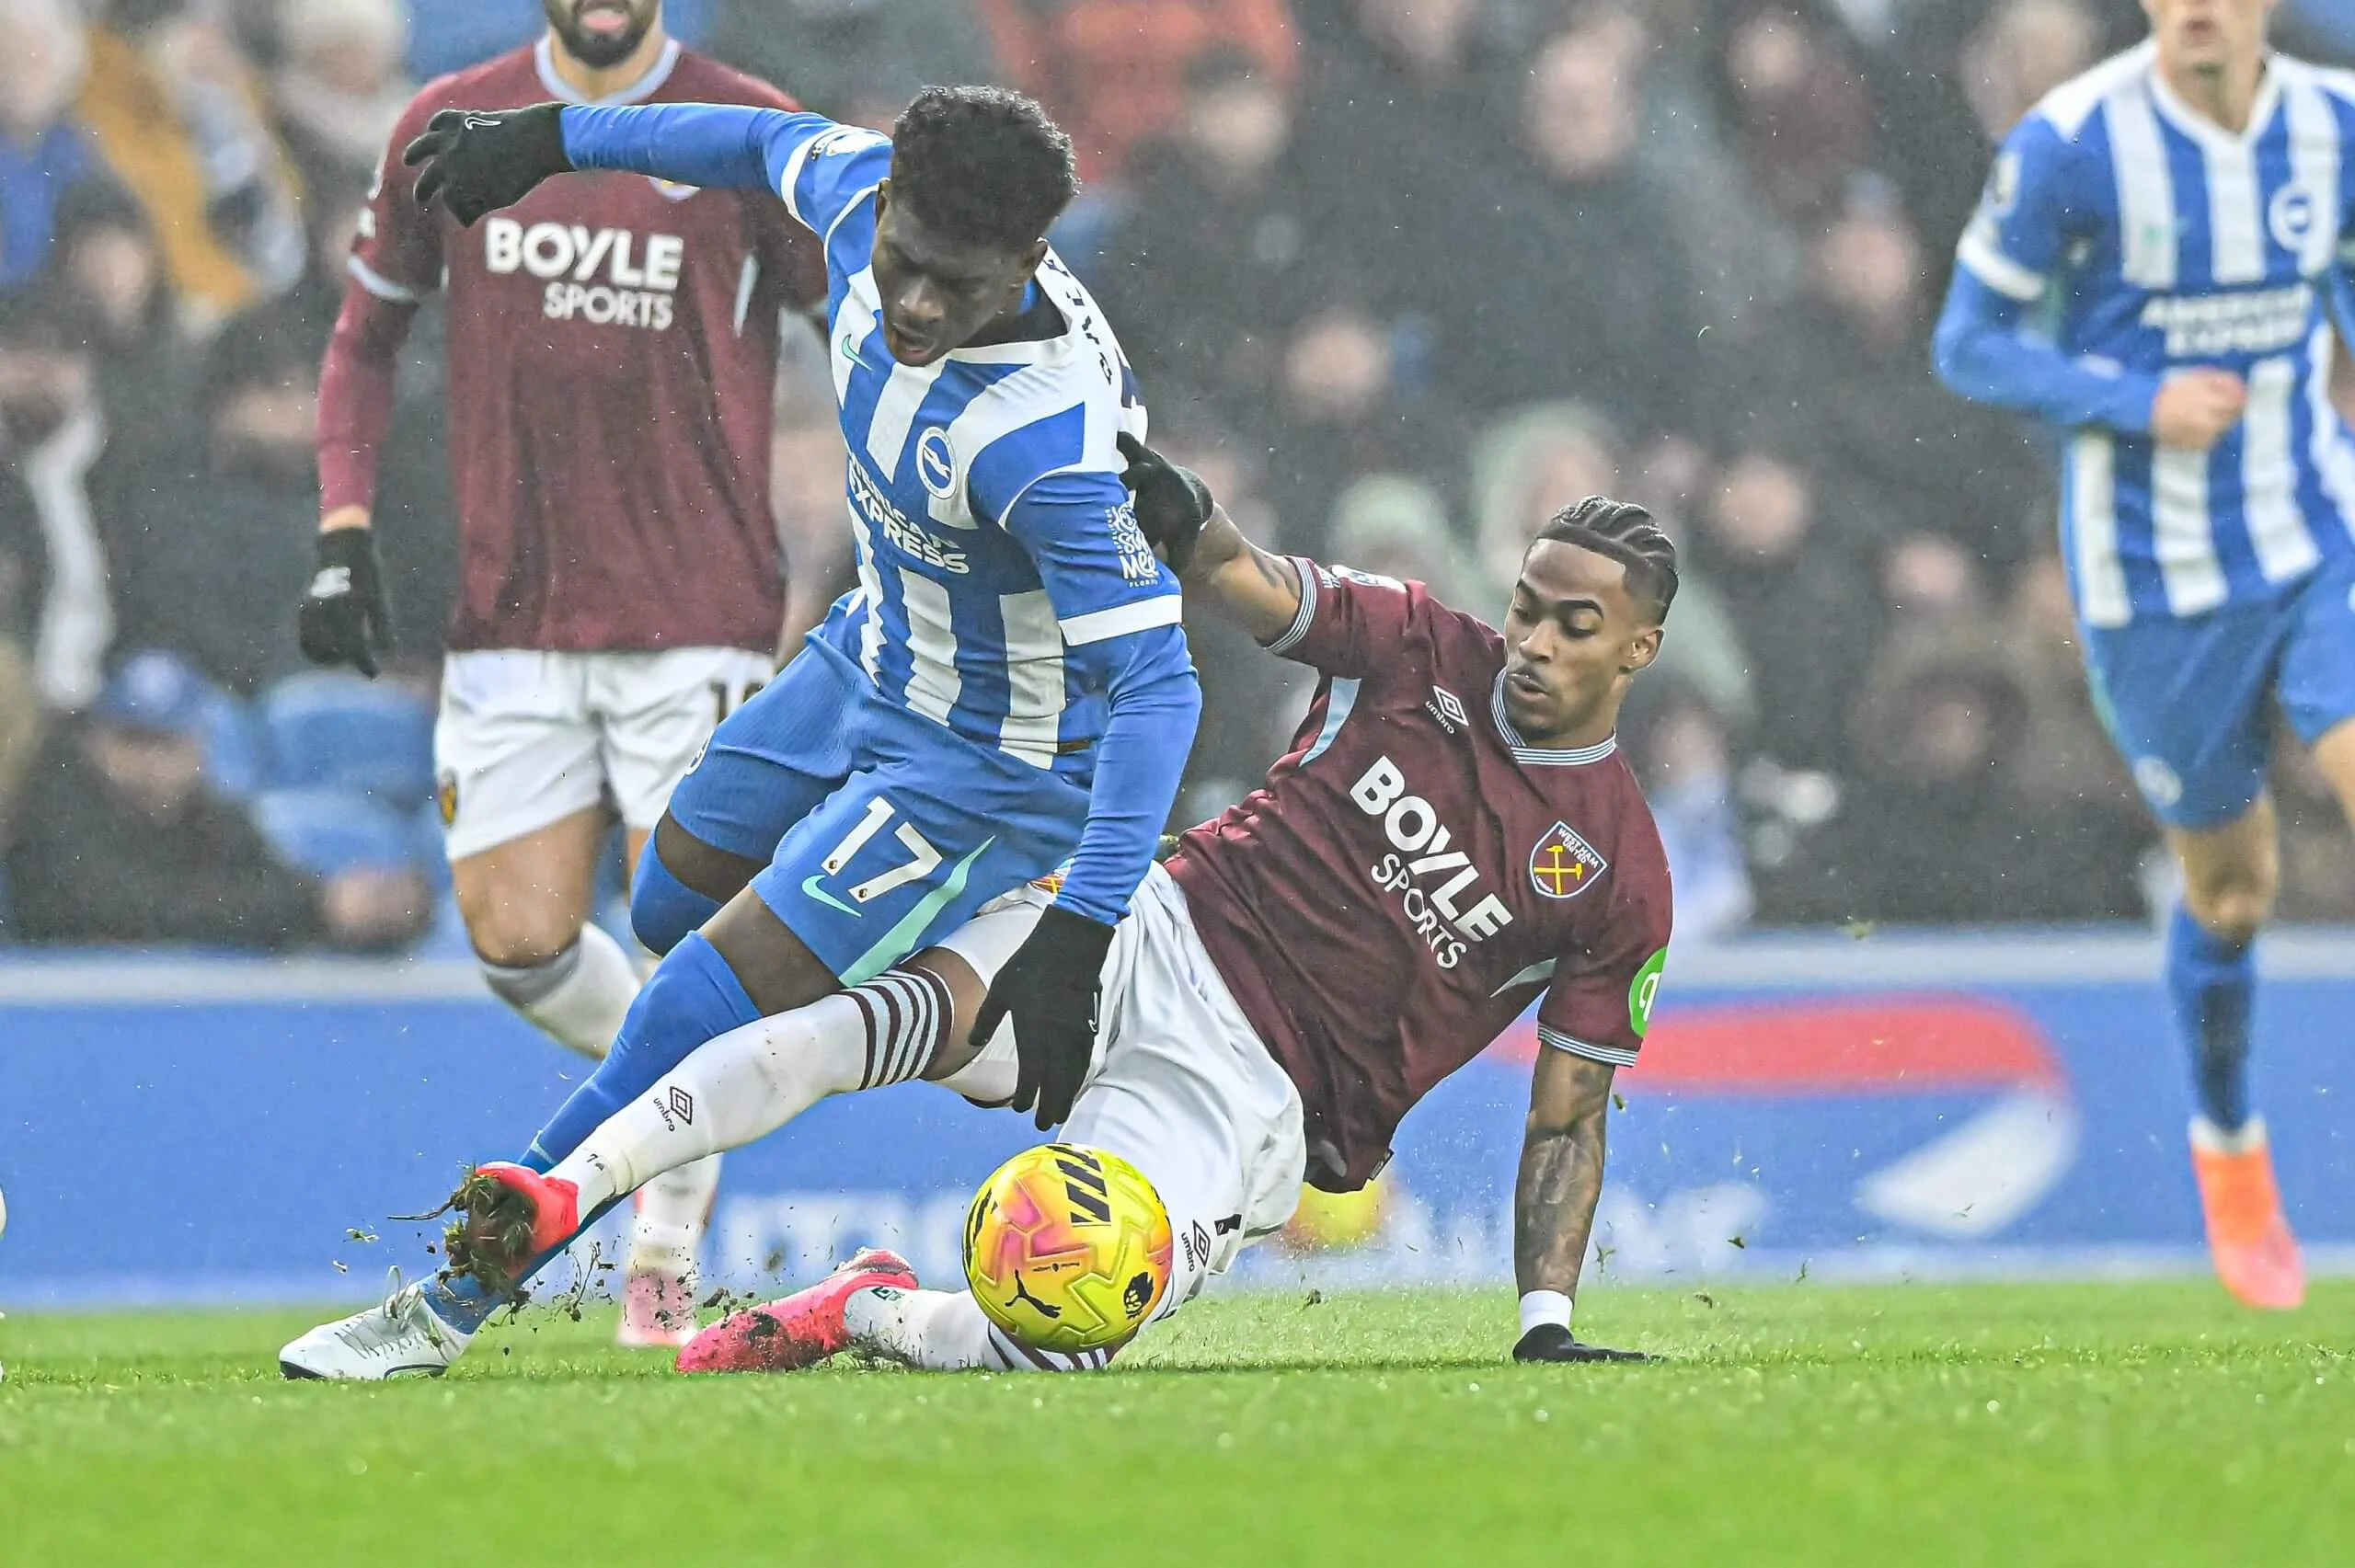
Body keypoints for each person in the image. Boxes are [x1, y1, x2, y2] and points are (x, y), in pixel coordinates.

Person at [281, 447, 1671, 1379]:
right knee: (863, 1026)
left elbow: (1567, 1117)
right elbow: (1251, 585)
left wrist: (1545, 1325)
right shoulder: (1421, 639)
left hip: (1255, 1109)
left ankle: (859, 1306)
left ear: (1640, 649)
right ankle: (550, 1202)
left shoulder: (1618, 875)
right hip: (1152, 932)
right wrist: (1174, 511)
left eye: (1575, 627)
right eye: (1531, 608)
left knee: (1057, 1336)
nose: (1537, 643)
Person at [276, 85, 1200, 1377]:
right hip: (864, 652)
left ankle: (450, 1301)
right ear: (885, 205)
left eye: (963, 288)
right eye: (908, 267)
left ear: (1034, 263)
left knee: (688, 998)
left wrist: (1082, 929)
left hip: (979, 770)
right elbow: (747, 140)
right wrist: (548, 140)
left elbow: (1163, 692)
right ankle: (926, 1022)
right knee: (664, 902)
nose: (922, 306)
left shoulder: (1044, 446)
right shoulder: (855, 193)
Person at [297, 0, 828, 1344]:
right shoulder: (445, 121)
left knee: (688, 937)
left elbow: (868, 321)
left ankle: (661, 1212)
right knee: (519, 945)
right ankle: (685, 1139)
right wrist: (343, 529)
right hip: (510, 617)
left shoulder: (744, 127)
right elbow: (367, 338)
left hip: (696, 611)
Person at [1932, 0, 2355, 1310]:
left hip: (2315, 532)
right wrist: (2135, 401)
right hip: (2154, 585)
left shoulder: (2334, 129)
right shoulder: (2073, 142)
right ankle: (2230, 1144)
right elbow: (1968, 343)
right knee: (2232, 894)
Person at [1, 650, 423, 947]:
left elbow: (260, 881)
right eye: (135, 742)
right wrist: (313, 906)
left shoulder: (208, 815)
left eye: (171, 743)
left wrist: (349, 906)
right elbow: (122, 907)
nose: (154, 764)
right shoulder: (55, 812)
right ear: (95, 742)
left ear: (200, 745)